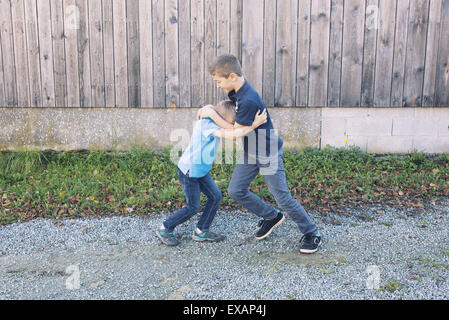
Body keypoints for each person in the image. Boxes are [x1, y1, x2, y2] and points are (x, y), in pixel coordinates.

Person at [197, 54, 322, 253]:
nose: (218, 86)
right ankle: (271, 216)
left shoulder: (248, 99)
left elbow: (235, 131)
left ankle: (311, 233)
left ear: (231, 76)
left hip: (267, 152)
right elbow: (234, 122)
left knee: (282, 197)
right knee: (235, 190)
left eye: (218, 81)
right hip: (251, 150)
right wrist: (212, 109)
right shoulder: (236, 93)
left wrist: (212, 115)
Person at [156, 100, 267, 246]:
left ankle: (201, 231)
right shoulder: (207, 124)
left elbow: (216, 114)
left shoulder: (211, 115)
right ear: (222, 117)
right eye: (232, 121)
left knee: (215, 196)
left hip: (201, 170)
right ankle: (165, 228)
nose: (233, 124)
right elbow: (233, 135)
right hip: (190, 171)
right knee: (192, 207)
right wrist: (254, 125)